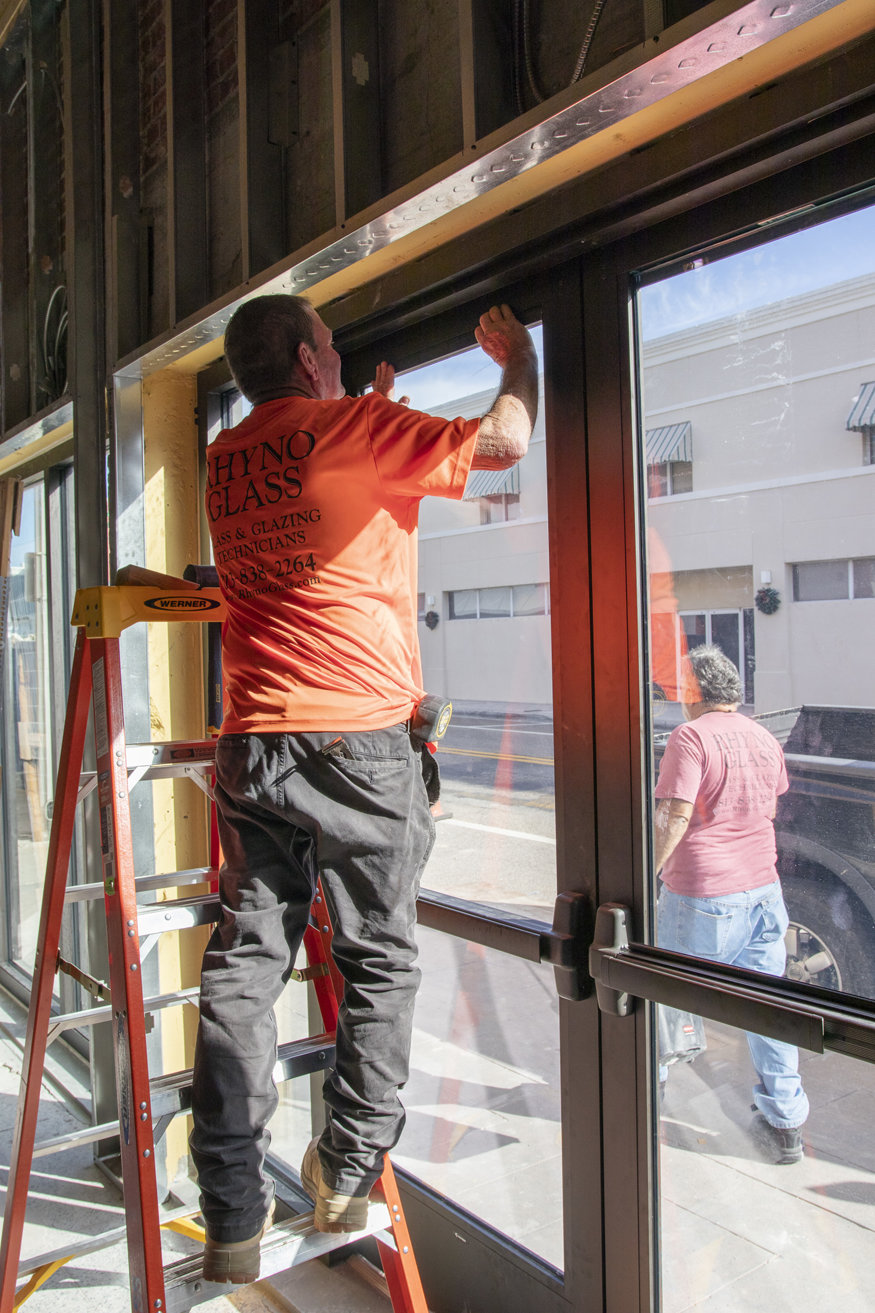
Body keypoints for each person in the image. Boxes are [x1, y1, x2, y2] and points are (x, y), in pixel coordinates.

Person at [190, 293, 538, 1283]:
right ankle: (344, 1170)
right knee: (378, 958)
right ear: (308, 359)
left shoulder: (224, 460)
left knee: (243, 965)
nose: (338, 362)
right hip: (355, 742)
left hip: (254, 737)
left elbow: (313, 492)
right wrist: (518, 358)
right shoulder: (354, 430)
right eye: (332, 350)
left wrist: (367, 405)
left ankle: (230, 1213)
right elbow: (505, 441)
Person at [653, 644, 809, 1164]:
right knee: (767, 1004)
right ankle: (786, 1122)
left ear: (695, 693)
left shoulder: (690, 736)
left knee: (664, 995)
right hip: (764, 890)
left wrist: (650, 869)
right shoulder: (763, 736)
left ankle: (647, 1092)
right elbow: (773, 795)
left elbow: (675, 814)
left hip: (703, 892)